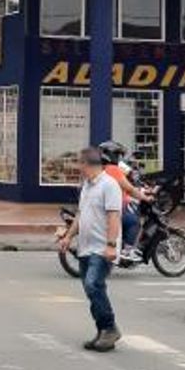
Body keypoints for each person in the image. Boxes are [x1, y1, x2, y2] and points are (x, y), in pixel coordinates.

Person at [58, 146, 124, 351]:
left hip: (102, 247)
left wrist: (112, 246)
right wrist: (68, 237)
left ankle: (110, 328)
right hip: (86, 246)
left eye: (79, 163)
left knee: (93, 284)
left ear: (88, 164)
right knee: (90, 288)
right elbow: (81, 214)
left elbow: (114, 216)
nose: (78, 167)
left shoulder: (109, 185)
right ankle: (103, 330)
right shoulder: (87, 185)